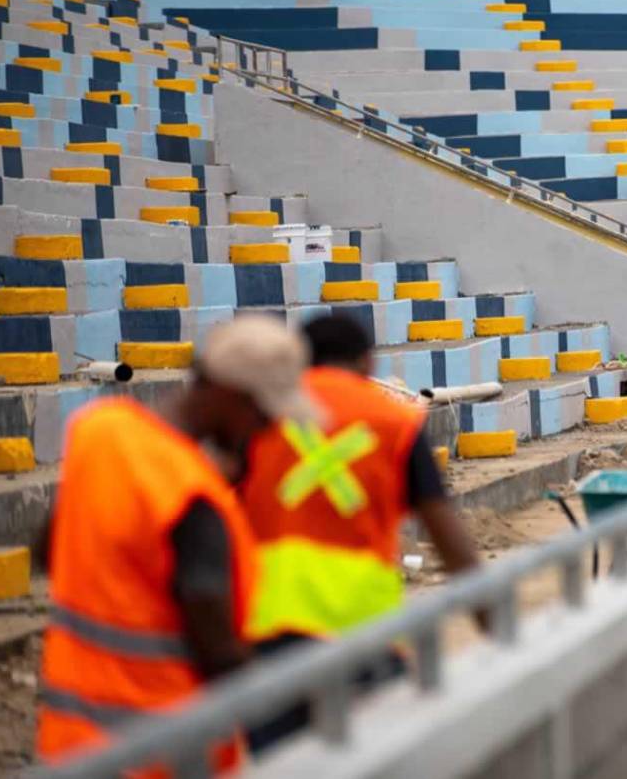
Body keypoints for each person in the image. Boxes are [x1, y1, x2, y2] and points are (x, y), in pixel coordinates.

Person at [36, 315, 314, 772]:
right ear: (229, 394)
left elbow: (52, 550)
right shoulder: (192, 496)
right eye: (264, 415)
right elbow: (219, 656)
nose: (267, 430)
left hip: (73, 744)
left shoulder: (98, 431)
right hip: (167, 755)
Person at [242, 314, 481, 750]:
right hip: (359, 632)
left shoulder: (259, 419)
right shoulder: (395, 423)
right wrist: (495, 624)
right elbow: (450, 540)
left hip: (269, 633)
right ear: (368, 363)